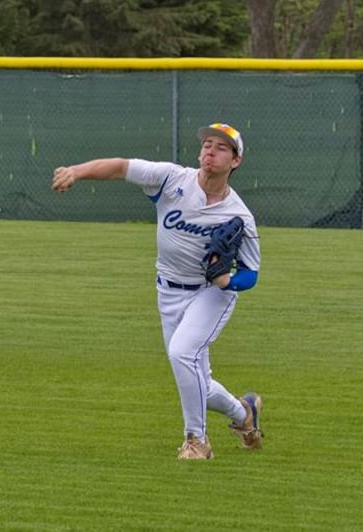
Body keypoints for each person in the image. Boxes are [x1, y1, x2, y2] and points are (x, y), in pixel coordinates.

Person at [52, 123, 262, 460]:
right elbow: (121, 167)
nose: (210, 151)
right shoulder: (171, 178)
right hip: (168, 292)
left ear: (235, 161)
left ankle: (196, 441)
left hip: (210, 293)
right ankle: (244, 414)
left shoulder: (239, 215)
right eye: (207, 144)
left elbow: (251, 273)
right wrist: (77, 171)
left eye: (221, 147)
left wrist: (228, 282)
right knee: (197, 383)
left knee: (182, 354)